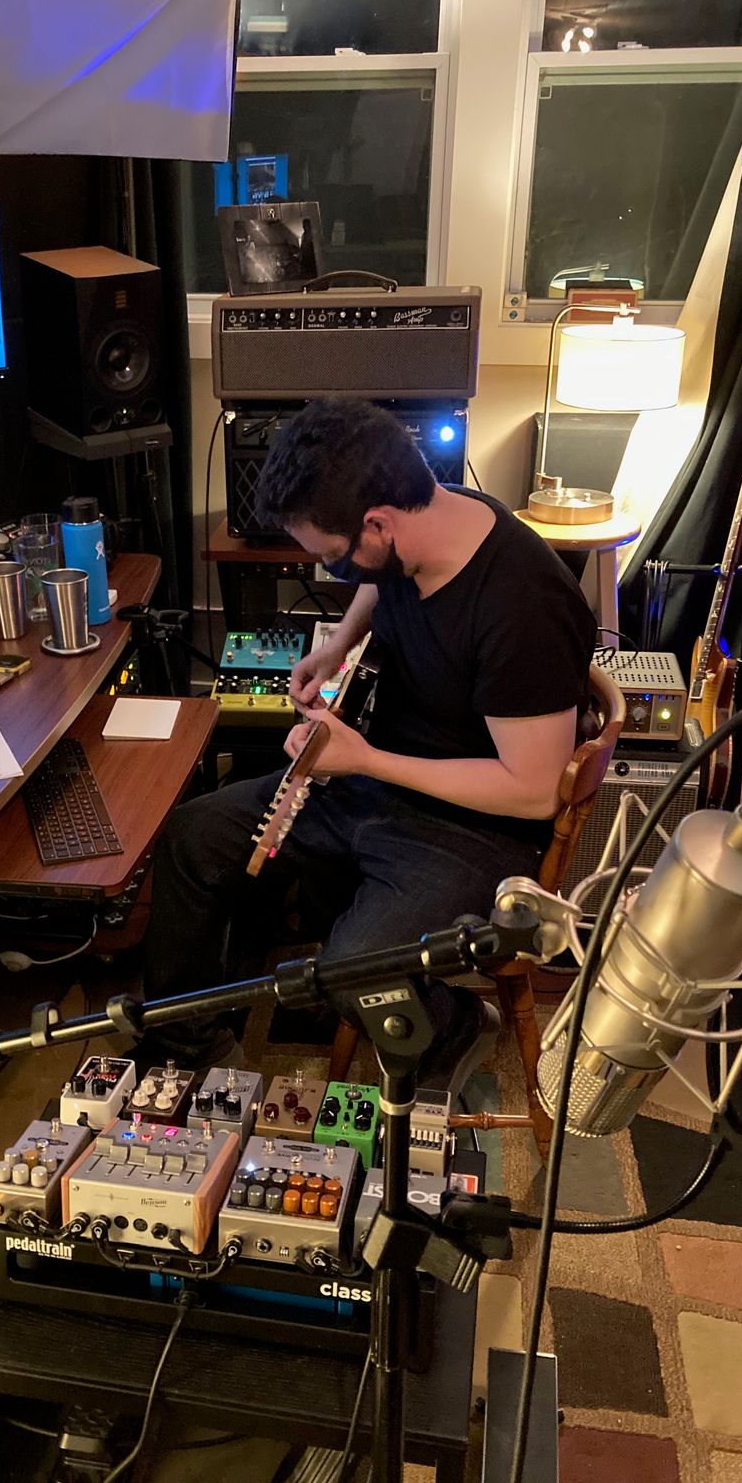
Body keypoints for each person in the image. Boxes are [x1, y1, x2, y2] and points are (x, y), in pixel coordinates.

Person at [143, 399, 598, 1086]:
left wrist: (366, 757)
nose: (335, 573)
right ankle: (189, 1050)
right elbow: (382, 585)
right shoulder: (430, 518)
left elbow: (533, 792)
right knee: (192, 836)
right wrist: (336, 649)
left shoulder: (523, 605)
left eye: (335, 559)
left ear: (379, 524)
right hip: (377, 785)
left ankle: (458, 1024)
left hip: (477, 829)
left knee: (351, 974)